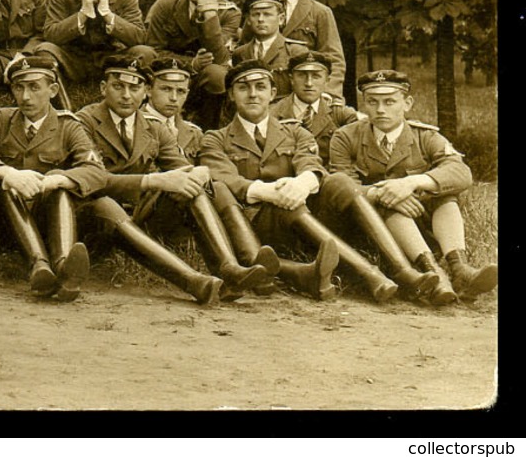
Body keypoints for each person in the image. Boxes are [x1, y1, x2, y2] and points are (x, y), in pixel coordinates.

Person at [76, 57, 263, 305]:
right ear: (103, 88)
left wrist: (197, 173)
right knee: (106, 204)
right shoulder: (84, 121)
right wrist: (154, 180)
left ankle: (228, 268)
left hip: (140, 219)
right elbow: (94, 179)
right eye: (118, 86)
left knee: (190, 187)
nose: (126, 95)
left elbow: (181, 168)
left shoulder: (153, 128)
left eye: (134, 88)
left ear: (145, 92)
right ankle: (193, 281)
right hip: (95, 222)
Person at [198, 61, 371, 301]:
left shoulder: (295, 131)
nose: (253, 94)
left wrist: (300, 184)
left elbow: (311, 162)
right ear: (230, 95)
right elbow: (226, 179)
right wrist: (271, 192)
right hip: (253, 226)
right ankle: (357, 273)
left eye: (260, 87)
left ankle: (374, 274)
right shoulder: (214, 139)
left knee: (340, 181)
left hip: (302, 218)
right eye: (243, 88)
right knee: (283, 201)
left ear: (272, 93)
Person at [321, 69, 497, 303]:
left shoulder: (425, 136)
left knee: (446, 196)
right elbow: (342, 186)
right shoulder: (346, 137)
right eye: (372, 102)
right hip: (370, 224)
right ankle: (433, 271)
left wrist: (411, 182)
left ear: (407, 103)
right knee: (394, 205)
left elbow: (461, 172)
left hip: (421, 220)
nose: (380, 109)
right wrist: (384, 194)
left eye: (389, 102)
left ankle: (459, 267)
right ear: (364, 104)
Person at [0, 53, 108, 300]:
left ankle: (65, 266)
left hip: (47, 223)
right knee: (6, 184)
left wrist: (55, 180)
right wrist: (9, 174)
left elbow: (96, 172)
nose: (25, 97)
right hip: (2, 224)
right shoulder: (1, 119)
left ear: (53, 89)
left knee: (60, 182)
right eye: (19, 87)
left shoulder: (68, 125)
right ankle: (39, 266)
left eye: (34, 87)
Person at [145, 0, 241, 128]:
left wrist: (210, 16)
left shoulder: (229, 13)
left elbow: (220, 59)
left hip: (203, 79)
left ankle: (208, 129)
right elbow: (154, 48)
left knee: (216, 74)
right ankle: (144, 122)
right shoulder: (166, 4)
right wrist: (191, 63)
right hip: (165, 72)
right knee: (142, 54)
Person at [39, 0, 149, 87]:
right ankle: (59, 97)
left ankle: (126, 89)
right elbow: (50, 35)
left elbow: (139, 37)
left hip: (113, 59)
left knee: (144, 52)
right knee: (45, 50)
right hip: (75, 58)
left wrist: (108, 15)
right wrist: (82, 14)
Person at [267, 0, 347, 98]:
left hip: (305, 93)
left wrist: (329, 93)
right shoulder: (260, 10)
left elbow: (334, 59)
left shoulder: (319, 12)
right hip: (267, 93)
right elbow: (246, 48)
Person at [273, 51, 360, 167]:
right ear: (291, 79)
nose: (309, 83)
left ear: (327, 81)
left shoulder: (341, 115)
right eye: (302, 75)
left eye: (316, 76)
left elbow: (356, 157)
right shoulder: (273, 114)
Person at [230, 0, 311, 95]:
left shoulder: (295, 51)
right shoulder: (240, 53)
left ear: (281, 19)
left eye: (267, 14)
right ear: (248, 20)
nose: (260, 19)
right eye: (255, 15)